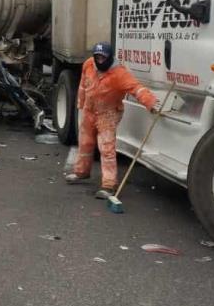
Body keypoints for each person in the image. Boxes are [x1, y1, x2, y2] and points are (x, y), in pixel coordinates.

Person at [65, 42, 160, 198]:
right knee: (85, 143)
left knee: (106, 148)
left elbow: (137, 89)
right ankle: (81, 172)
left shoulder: (119, 74)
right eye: (97, 57)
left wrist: (151, 103)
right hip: (89, 111)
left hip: (107, 114)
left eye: (103, 57)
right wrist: (80, 104)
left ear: (109, 57)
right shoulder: (89, 64)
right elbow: (83, 85)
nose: (100, 60)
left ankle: (109, 185)